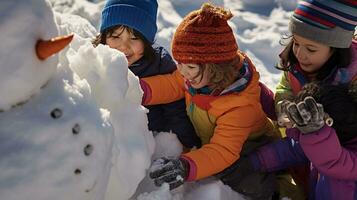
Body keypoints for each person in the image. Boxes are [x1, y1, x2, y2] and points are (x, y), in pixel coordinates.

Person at [221, 0, 357, 199]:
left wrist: (315, 129)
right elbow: (286, 91)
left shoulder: (352, 80)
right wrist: (283, 105)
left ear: (336, 48)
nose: (300, 54)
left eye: (311, 49)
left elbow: (336, 156)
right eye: (296, 43)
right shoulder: (297, 67)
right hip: (312, 148)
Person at [140, 3, 277, 198]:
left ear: (215, 67)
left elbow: (222, 150)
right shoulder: (195, 76)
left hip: (249, 148)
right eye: (178, 63)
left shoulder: (239, 106)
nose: (182, 72)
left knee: (236, 173)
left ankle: (274, 188)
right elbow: (172, 84)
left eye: (190, 67)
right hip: (212, 137)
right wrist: (137, 89)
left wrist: (186, 166)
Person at [93, 0, 201, 148]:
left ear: (147, 41)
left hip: (149, 141)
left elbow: (176, 112)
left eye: (134, 38)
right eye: (116, 37)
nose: (124, 46)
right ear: (104, 37)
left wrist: (189, 145)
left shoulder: (160, 65)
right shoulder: (93, 59)